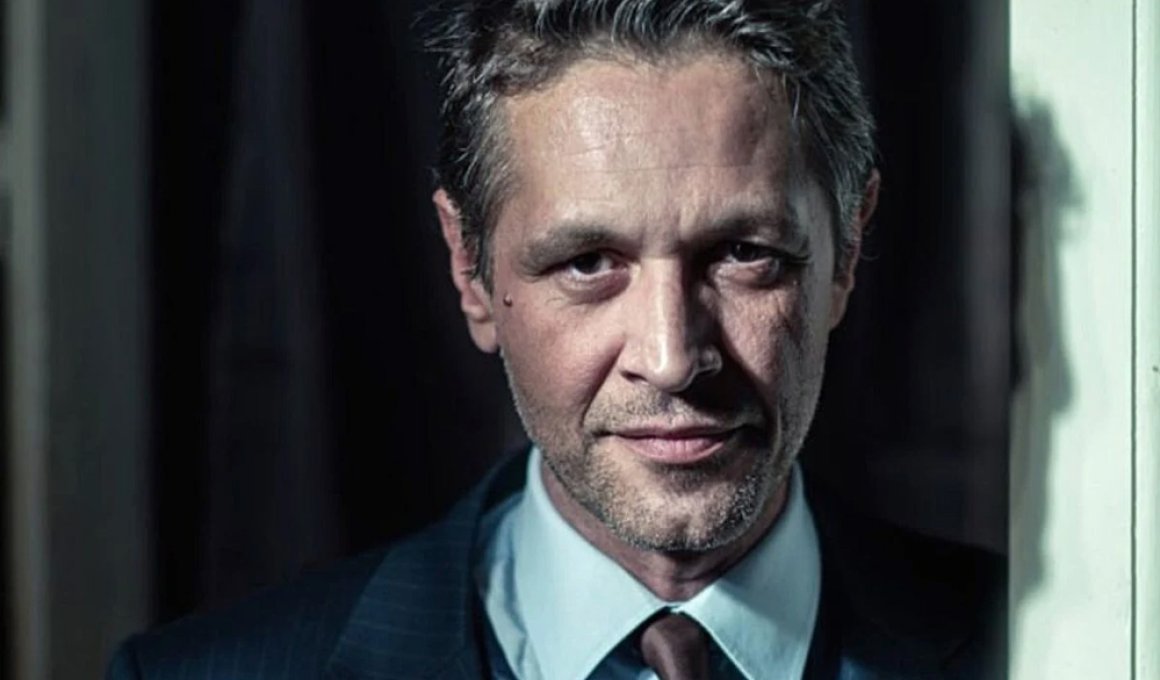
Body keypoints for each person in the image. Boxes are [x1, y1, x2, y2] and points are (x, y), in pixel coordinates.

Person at [108, 1, 1003, 678]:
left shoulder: (1045, 649)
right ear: (470, 269)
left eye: (743, 253)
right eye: (587, 262)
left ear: (846, 250)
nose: (670, 356)